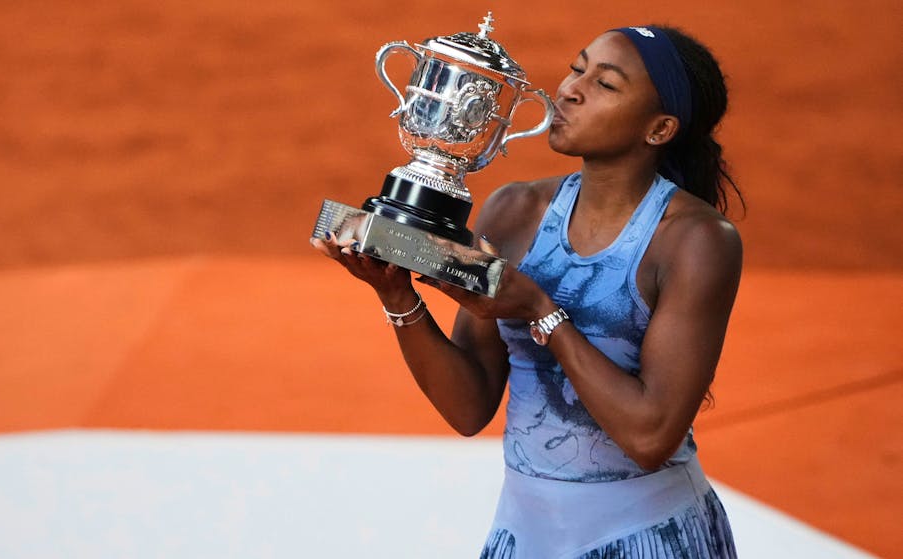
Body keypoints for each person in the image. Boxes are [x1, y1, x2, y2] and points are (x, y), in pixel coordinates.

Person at [311, 24, 742, 558]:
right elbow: (468, 408)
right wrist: (398, 296)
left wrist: (539, 310)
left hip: (649, 536)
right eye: (576, 67)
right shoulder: (515, 212)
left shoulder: (695, 240)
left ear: (659, 129)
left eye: (605, 84)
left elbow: (651, 438)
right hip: (524, 534)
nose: (569, 89)